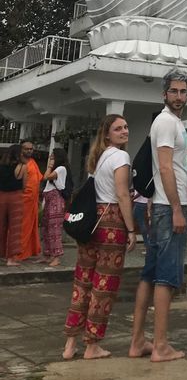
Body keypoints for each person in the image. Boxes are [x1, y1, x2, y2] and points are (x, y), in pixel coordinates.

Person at [62, 115, 136, 360]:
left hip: (91, 223)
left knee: (82, 283)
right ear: (107, 134)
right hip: (111, 222)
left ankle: (70, 343)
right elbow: (123, 194)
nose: (124, 131)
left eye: (125, 127)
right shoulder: (121, 157)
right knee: (104, 287)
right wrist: (132, 229)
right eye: (118, 129)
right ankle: (92, 344)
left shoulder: (99, 157)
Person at [130, 70, 187, 362]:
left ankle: (138, 341)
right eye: (174, 91)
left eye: (183, 91)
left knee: (150, 273)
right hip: (169, 206)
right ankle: (161, 345)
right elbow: (165, 168)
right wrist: (177, 208)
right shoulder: (166, 122)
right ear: (164, 94)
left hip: (162, 203)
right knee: (165, 277)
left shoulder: (171, 122)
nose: (179, 96)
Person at [41, 146, 72, 267]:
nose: (50, 160)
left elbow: (47, 177)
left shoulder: (61, 168)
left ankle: (57, 256)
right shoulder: (57, 169)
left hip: (56, 200)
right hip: (49, 198)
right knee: (46, 227)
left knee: (54, 228)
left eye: (53, 157)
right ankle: (48, 254)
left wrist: (49, 167)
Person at [0, 144, 26, 266]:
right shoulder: (22, 167)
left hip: (1, 196)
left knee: (1, 226)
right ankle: (11, 258)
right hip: (16, 197)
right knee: (14, 228)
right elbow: (24, 185)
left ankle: (2, 254)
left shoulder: (1, 166)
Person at [17, 139, 43, 261]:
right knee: (21, 227)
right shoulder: (18, 163)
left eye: (31, 149)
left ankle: (28, 251)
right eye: (26, 148)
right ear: (21, 150)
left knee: (31, 227)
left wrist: (38, 199)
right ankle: (18, 251)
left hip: (33, 200)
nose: (29, 151)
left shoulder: (33, 162)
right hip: (22, 200)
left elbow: (38, 180)